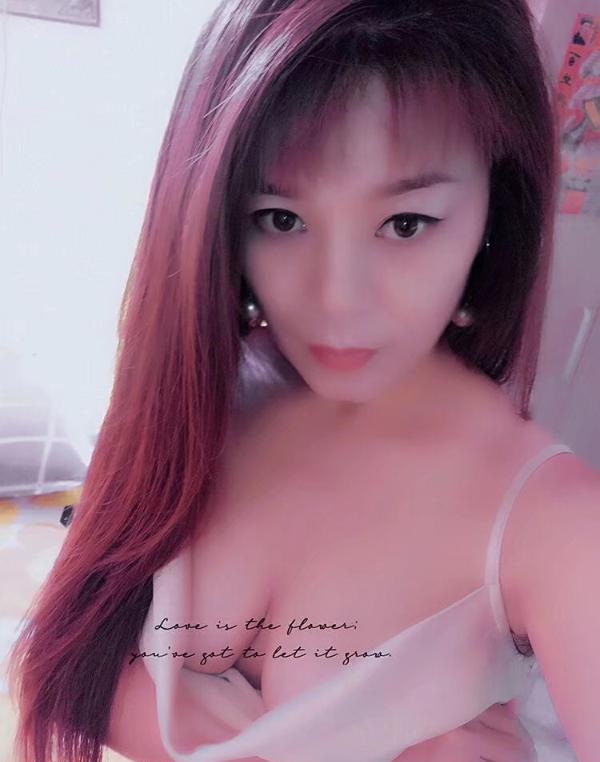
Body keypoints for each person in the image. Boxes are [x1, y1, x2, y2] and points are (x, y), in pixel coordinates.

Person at [7, 1, 600, 761]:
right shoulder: (202, 383)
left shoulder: (555, 524)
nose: (337, 300)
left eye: (406, 223)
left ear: (495, 214)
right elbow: (53, 651)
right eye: (282, 219)